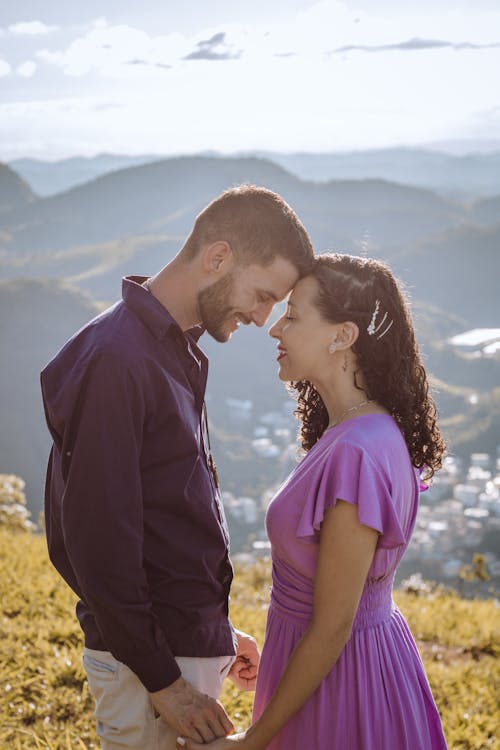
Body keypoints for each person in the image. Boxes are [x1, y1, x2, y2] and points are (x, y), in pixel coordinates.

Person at [40, 185, 314, 750]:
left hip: (175, 648)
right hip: (151, 669)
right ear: (218, 258)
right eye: (263, 295)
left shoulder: (168, 350)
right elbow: (95, 544)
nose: (263, 319)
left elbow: (165, 518)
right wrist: (164, 678)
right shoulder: (117, 360)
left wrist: (213, 635)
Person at [178, 253, 448, 750]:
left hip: (342, 685)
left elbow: (331, 627)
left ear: (342, 335)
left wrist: (250, 741)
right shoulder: (364, 432)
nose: (275, 328)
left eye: (294, 315)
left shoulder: (356, 454)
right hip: (359, 664)